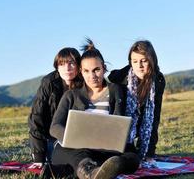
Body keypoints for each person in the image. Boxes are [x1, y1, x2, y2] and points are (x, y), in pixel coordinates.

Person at [49, 39, 140, 179]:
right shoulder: (71, 95)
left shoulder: (115, 90)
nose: (92, 76)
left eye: (96, 70)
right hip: (77, 149)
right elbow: (55, 126)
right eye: (86, 71)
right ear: (81, 71)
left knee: (132, 156)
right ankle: (90, 173)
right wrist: (72, 138)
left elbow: (118, 122)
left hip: (106, 148)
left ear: (104, 68)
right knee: (75, 154)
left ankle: (112, 166)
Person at [108, 40, 165, 162]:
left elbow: (154, 118)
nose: (139, 66)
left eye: (143, 61)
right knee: (128, 160)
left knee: (134, 160)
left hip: (139, 130)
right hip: (117, 134)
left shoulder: (158, 81)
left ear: (152, 60)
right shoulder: (120, 79)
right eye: (135, 61)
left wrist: (149, 153)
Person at [28, 47, 82, 169]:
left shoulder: (85, 82)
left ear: (79, 66)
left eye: (71, 63)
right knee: (60, 162)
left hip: (78, 138)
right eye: (62, 64)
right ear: (57, 67)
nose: (67, 68)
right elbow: (36, 118)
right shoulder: (49, 83)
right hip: (52, 137)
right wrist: (38, 156)